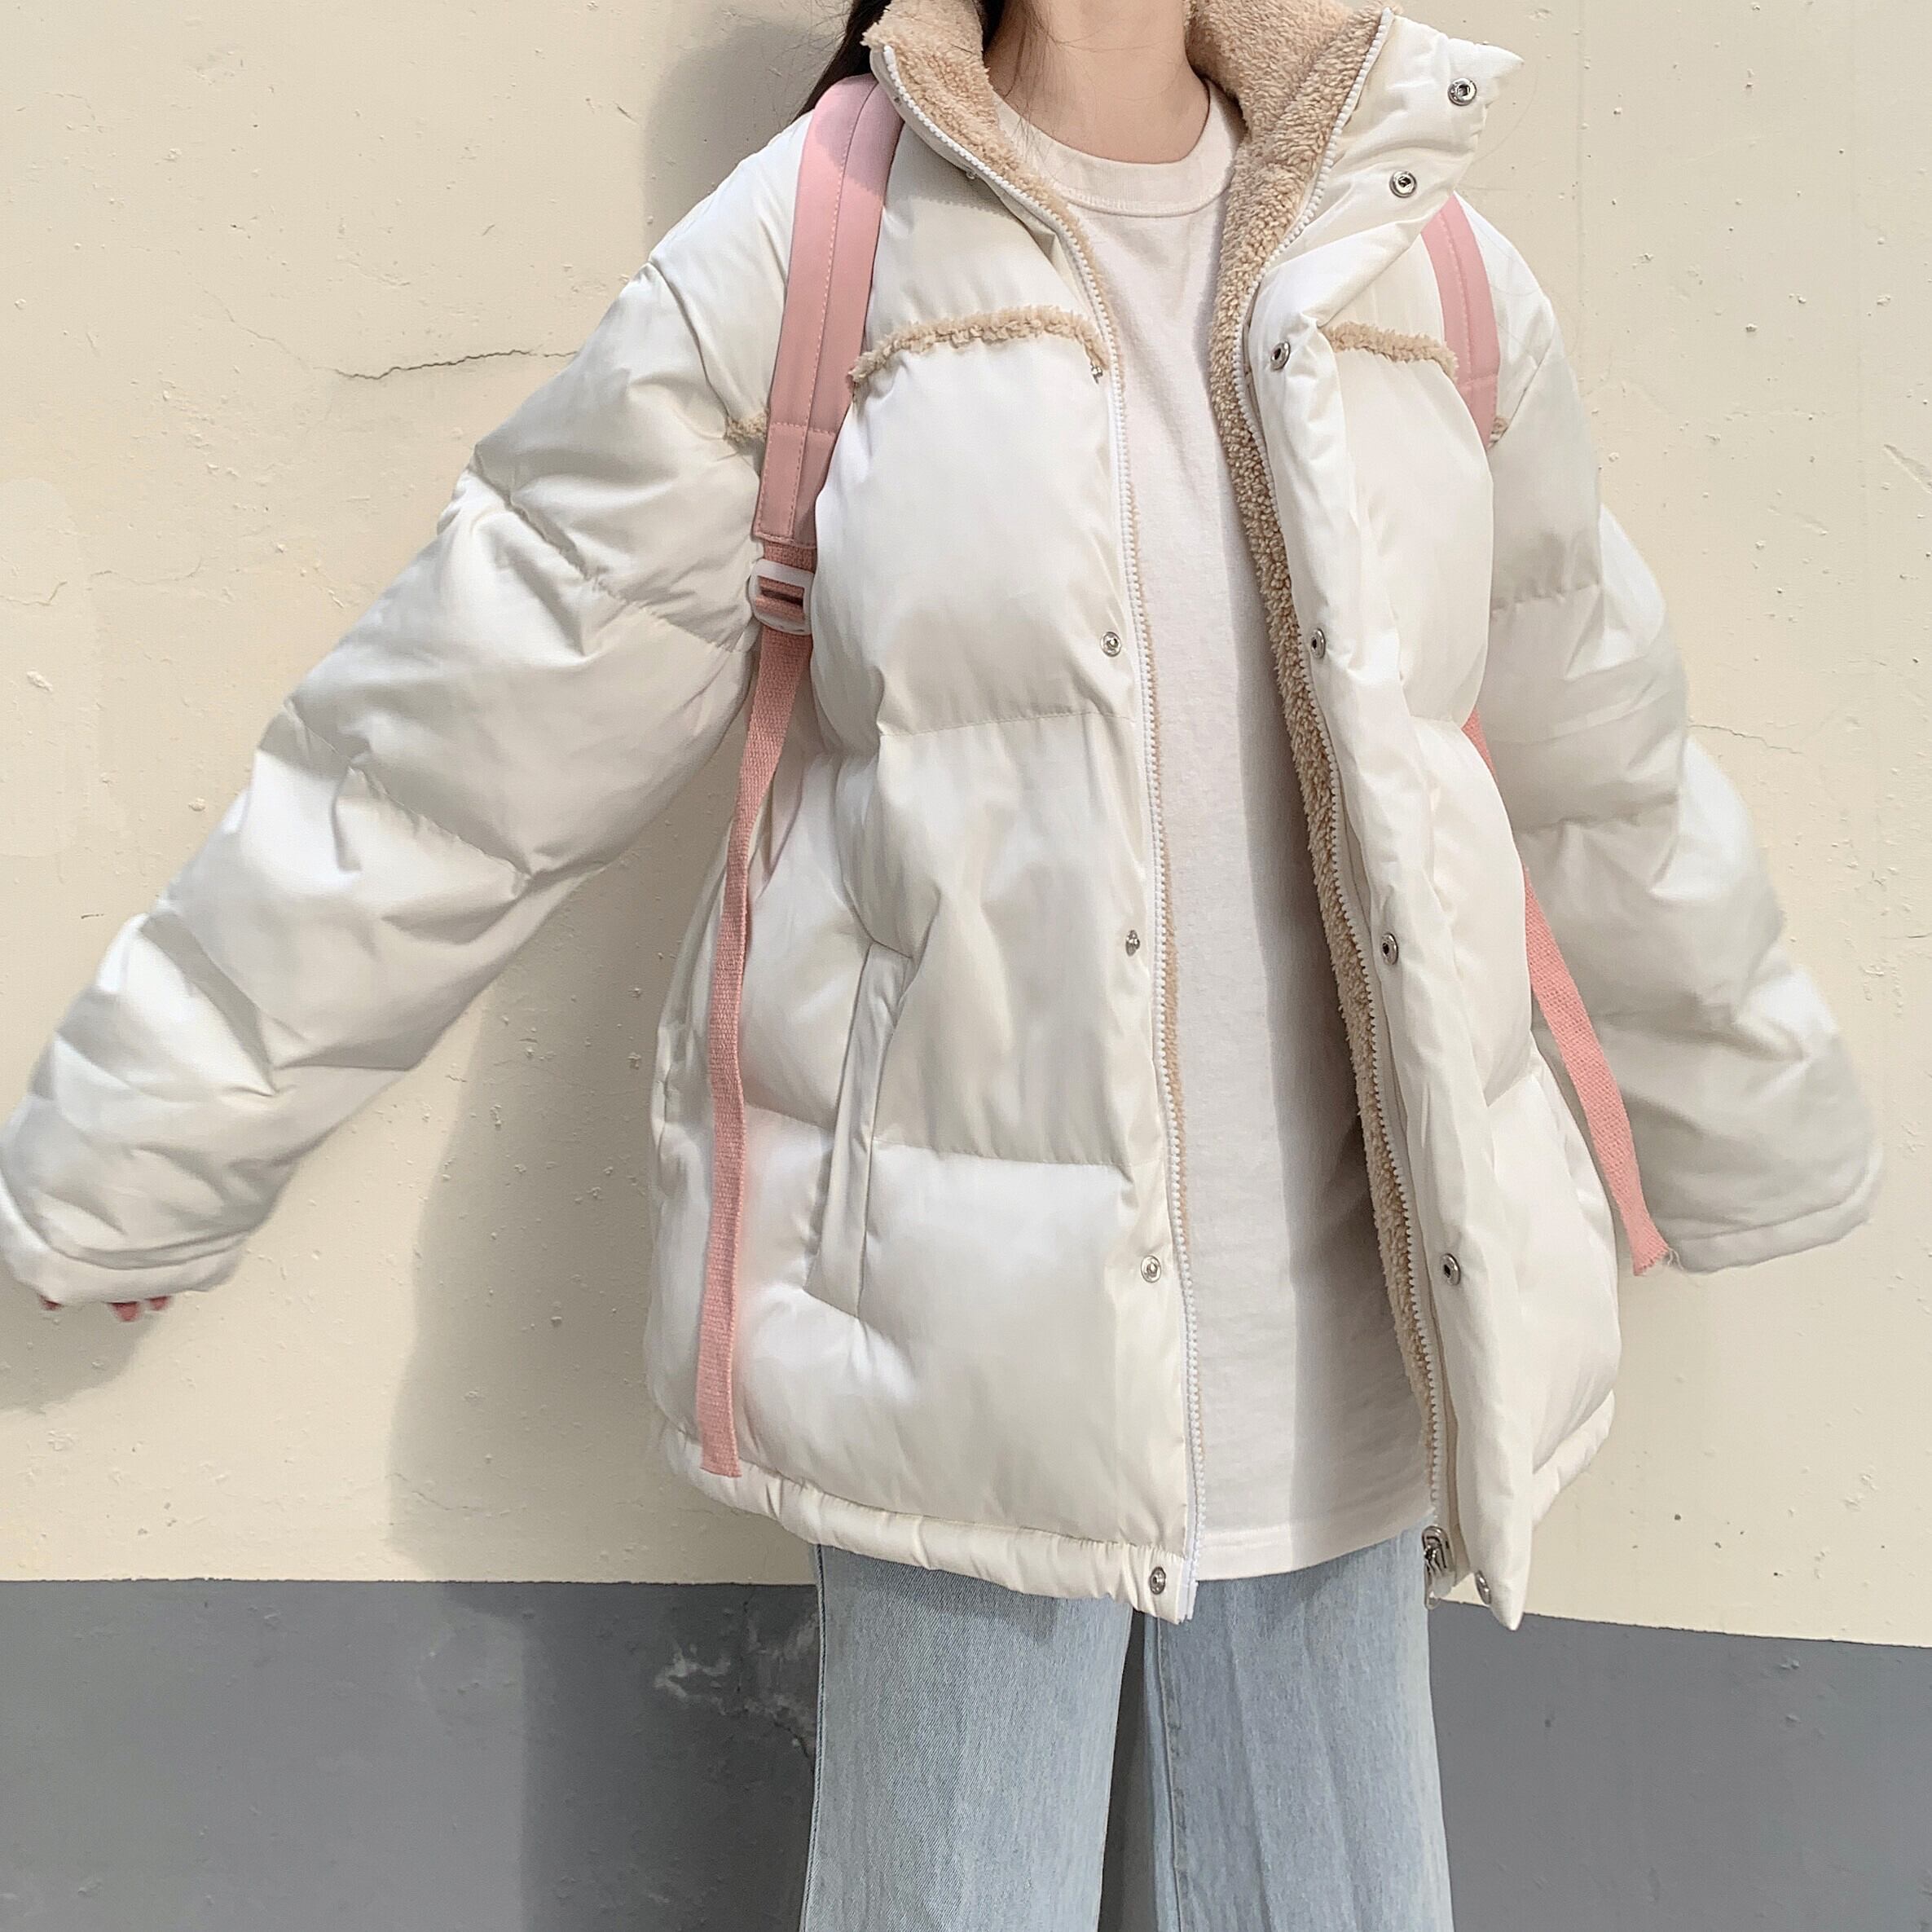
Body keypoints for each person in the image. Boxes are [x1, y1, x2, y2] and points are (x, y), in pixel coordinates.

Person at [0, 0, 1880, 1924]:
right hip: (958, 1348)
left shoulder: (1410, 249)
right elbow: (458, 753)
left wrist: (1748, 1126)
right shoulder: (825, 238)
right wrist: (138, 1156)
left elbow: (1594, 756)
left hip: (1350, 1363)